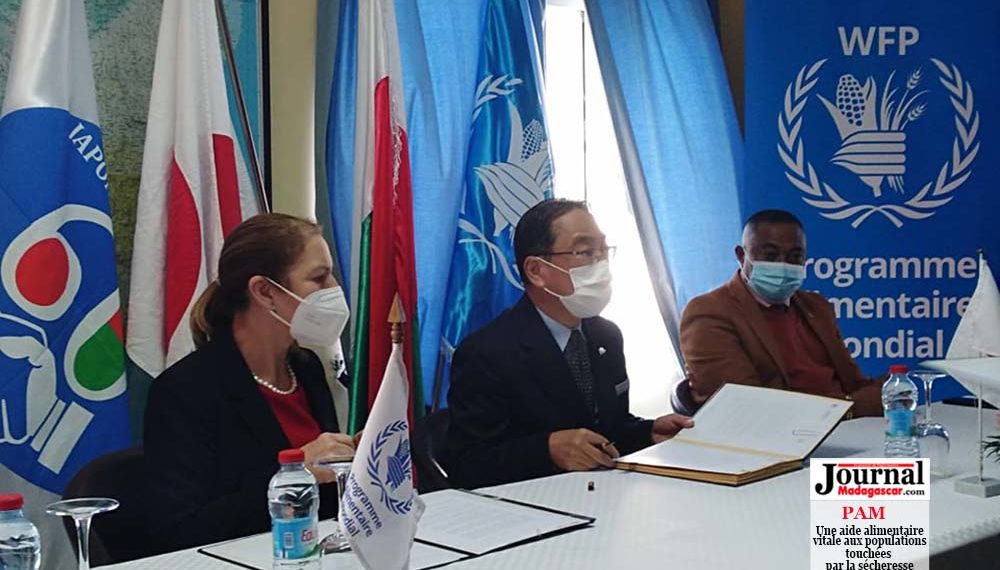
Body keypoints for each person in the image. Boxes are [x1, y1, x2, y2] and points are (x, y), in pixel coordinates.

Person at [144, 213, 355, 553]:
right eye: (319, 278)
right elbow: (179, 530)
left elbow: (328, 503)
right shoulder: (186, 390)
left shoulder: (307, 368)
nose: (334, 290)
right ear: (265, 292)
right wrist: (293, 476)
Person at [446, 199, 693, 489]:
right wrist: (547, 450)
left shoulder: (606, 335)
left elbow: (607, 429)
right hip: (534, 504)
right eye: (585, 252)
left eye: (604, 251)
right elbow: (468, 464)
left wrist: (648, 432)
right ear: (536, 270)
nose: (600, 265)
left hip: (602, 495)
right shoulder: (487, 352)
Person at [680, 209, 882, 416]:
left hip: (850, 424)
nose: (783, 265)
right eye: (770, 255)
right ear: (741, 256)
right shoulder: (708, 313)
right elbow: (743, 407)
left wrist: (888, 391)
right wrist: (848, 408)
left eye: (795, 257)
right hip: (779, 431)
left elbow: (855, 382)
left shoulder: (816, 306)